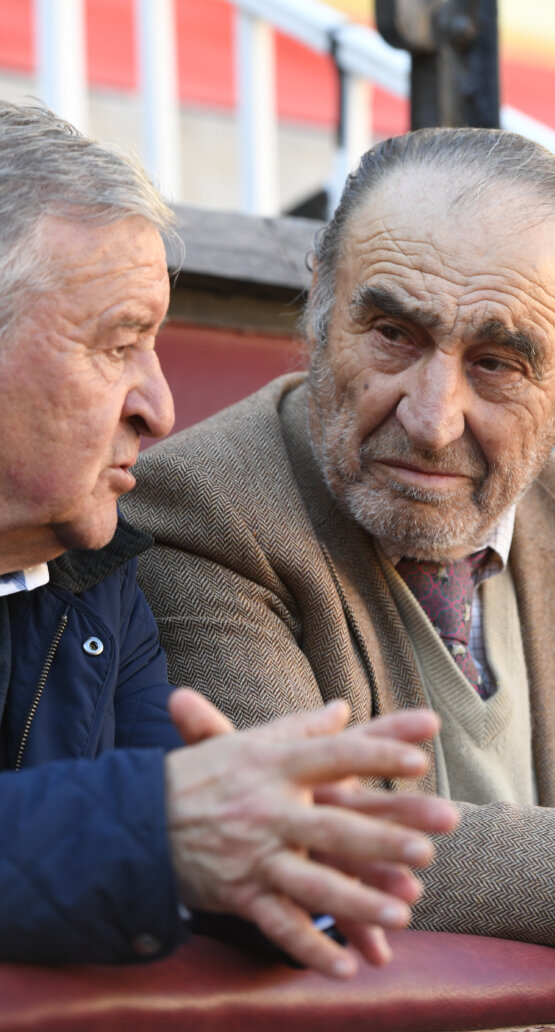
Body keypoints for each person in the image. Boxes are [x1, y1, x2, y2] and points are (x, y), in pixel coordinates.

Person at [129, 127, 555, 953]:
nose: (431, 418)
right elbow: (305, 841)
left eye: (497, 363)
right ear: (321, 309)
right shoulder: (200, 512)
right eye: (393, 334)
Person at [0, 101, 459, 974]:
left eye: (155, 346)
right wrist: (155, 827)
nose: (160, 409)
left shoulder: (99, 581)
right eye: (118, 345)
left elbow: (193, 839)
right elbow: (153, 825)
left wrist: (286, 857)